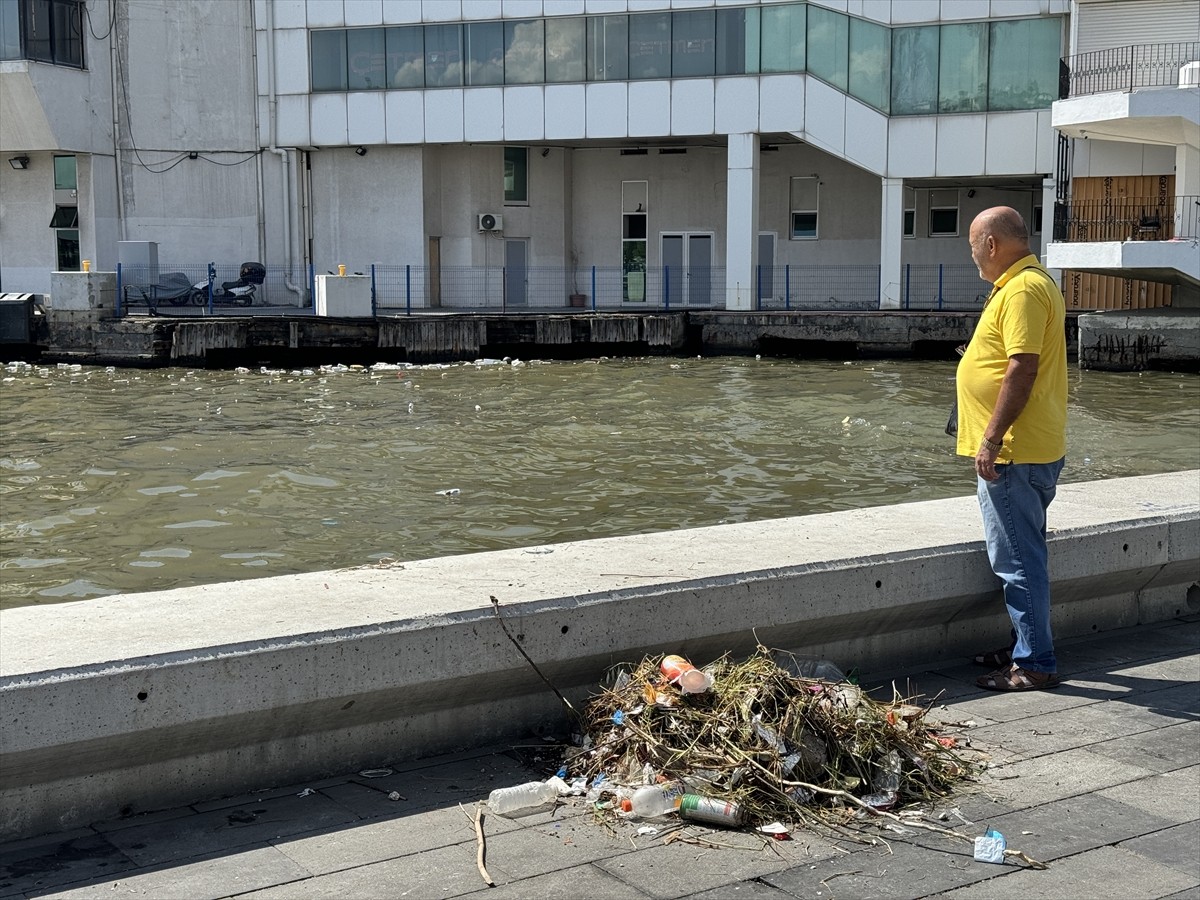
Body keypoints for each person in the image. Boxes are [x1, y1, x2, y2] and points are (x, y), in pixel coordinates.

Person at [956, 206, 1068, 692]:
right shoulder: (1029, 283)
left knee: (1018, 560)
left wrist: (992, 437)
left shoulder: (1022, 289)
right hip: (1029, 447)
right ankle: (1023, 643)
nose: (973, 255)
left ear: (993, 244)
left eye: (973, 245)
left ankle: (1035, 662)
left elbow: (1022, 367)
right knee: (1023, 552)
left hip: (1013, 454)